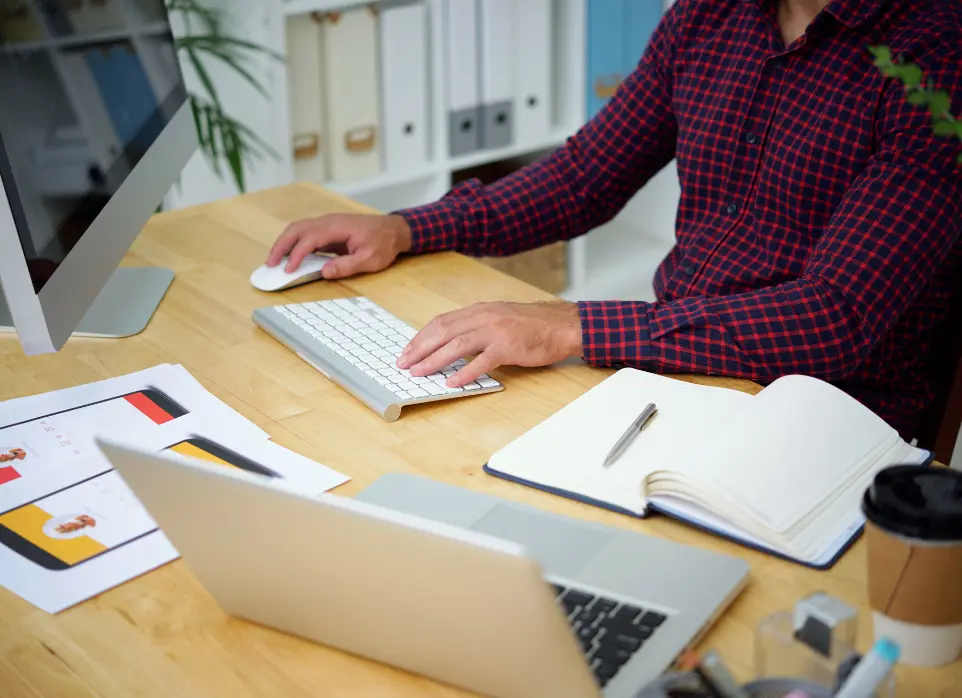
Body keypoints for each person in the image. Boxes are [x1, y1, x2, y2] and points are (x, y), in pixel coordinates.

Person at [267, 0, 962, 440]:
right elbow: (584, 179)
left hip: (827, 422)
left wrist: (570, 326)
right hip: (675, 375)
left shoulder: (937, 54)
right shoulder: (708, 15)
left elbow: (832, 316)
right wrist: (409, 229)